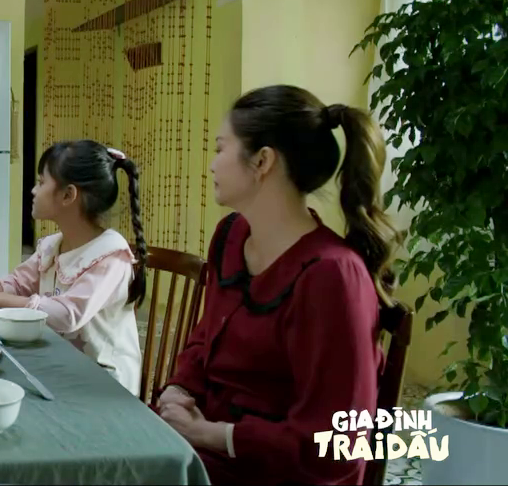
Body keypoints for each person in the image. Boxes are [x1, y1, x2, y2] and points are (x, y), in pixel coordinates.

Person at [158, 85, 397, 485]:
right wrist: (180, 388)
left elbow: (339, 446)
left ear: (263, 161)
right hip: (200, 450)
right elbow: (206, 337)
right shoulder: (231, 236)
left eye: (220, 149)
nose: (212, 164)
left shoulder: (332, 275)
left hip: (270, 472)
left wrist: (214, 435)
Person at [0, 141, 146, 396]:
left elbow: (68, 314)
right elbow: (17, 283)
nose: (33, 190)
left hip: (103, 384)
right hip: (62, 365)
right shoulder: (53, 246)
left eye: (41, 182)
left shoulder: (111, 255)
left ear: (68, 195)